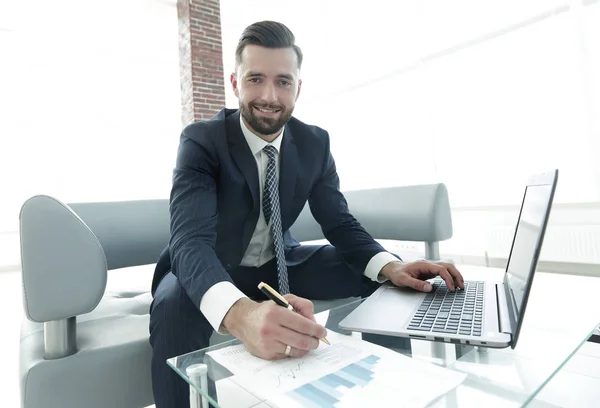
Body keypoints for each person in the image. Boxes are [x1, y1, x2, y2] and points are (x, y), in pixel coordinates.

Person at [149, 20, 464, 408]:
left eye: (283, 81)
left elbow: (339, 222)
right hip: (211, 265)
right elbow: (190, 241)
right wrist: (239, 313)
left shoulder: (315, 143)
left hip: (279, 263)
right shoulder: (201, 141)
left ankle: (390, 392)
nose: (269, 95)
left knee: (383, 279)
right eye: (255, 79)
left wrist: (389, 266)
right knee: (172, 306)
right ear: (234, 83)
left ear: (298, 88)